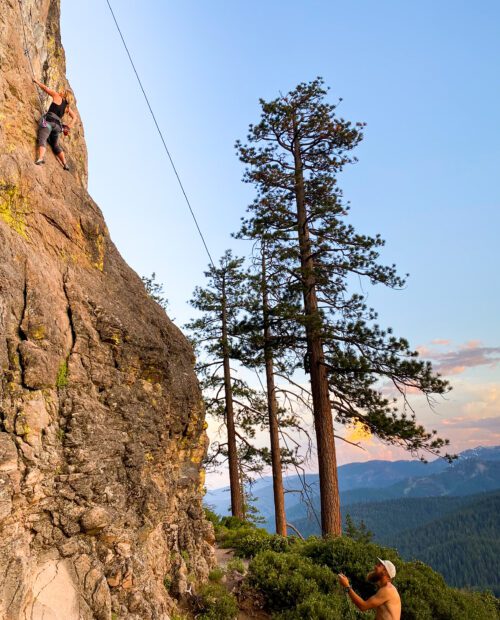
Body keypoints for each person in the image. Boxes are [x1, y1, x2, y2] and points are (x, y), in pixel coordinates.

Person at [33, 79, 76, 170]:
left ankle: (40, 158)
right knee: (55, 145)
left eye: (63, 91)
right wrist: (68, 127)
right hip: (57, 127)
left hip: (48, 122)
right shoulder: (67, 107)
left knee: (43, 138)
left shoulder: (57, 96)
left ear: (64, 94)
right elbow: (74, 117)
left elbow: (45, 88)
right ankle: (65, 164)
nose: (61, 91)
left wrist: (36, 81)